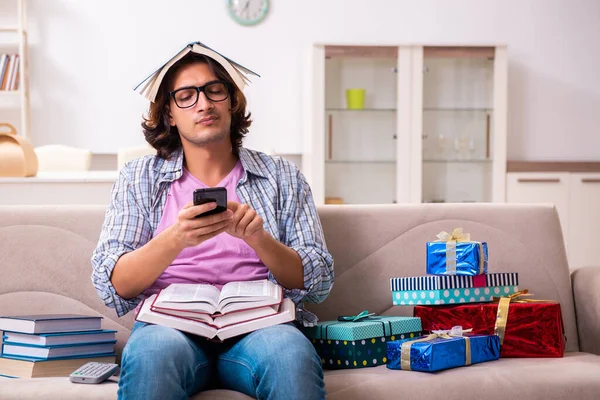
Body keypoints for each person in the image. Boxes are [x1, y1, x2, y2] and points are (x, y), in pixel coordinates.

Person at [91, 45, 334, 400]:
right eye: (186, 96)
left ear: (231, 101)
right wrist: (176, 238)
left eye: (214, 90)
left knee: (291, 356)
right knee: (150, 355)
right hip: (169, 329)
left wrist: (259, 240)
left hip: (261, 328)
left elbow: (319, 282)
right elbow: (114, 285)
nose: (204, 104)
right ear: (170, 114)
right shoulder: (138, 178)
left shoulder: (283, 177)